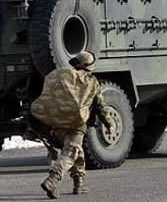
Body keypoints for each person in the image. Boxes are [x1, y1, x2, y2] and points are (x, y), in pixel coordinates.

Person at [31, 52, 115, 199]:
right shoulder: (91, 81)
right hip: (77, 123)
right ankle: (53, 180)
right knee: (70, 152)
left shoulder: (62, 75)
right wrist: (109, 123)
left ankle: (79, 184)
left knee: (77, 149)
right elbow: (101, 106)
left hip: (57, 122)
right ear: (89, 67)